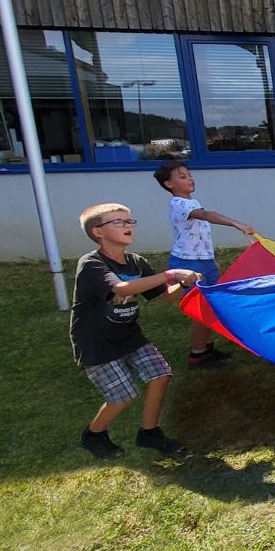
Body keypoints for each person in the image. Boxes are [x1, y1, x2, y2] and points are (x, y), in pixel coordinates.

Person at [70, 203, 202, 461]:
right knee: (123, 397)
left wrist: (187, 284)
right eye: (118, 222)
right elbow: (122, 289)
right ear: (98, 232)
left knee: (161, 375)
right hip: (96, 342)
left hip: (129, 336)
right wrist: (171, 273)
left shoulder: (136, 262)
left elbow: (162, 297)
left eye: (130, 221)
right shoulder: (91, 263)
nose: (128, 226)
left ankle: (149, 432)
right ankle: (93, 435)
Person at [154, 160, 256, 368]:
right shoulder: (180, 204)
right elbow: (207, 216)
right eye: (182, 176)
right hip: (189, 264)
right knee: (200, 308)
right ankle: (198, 354)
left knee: (209, 306)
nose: (189, 178)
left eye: (189, 174)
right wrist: (236, 224)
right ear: (168, 184)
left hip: (202, 262)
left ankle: (207, 347)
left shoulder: (191, 202)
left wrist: (211, 262)